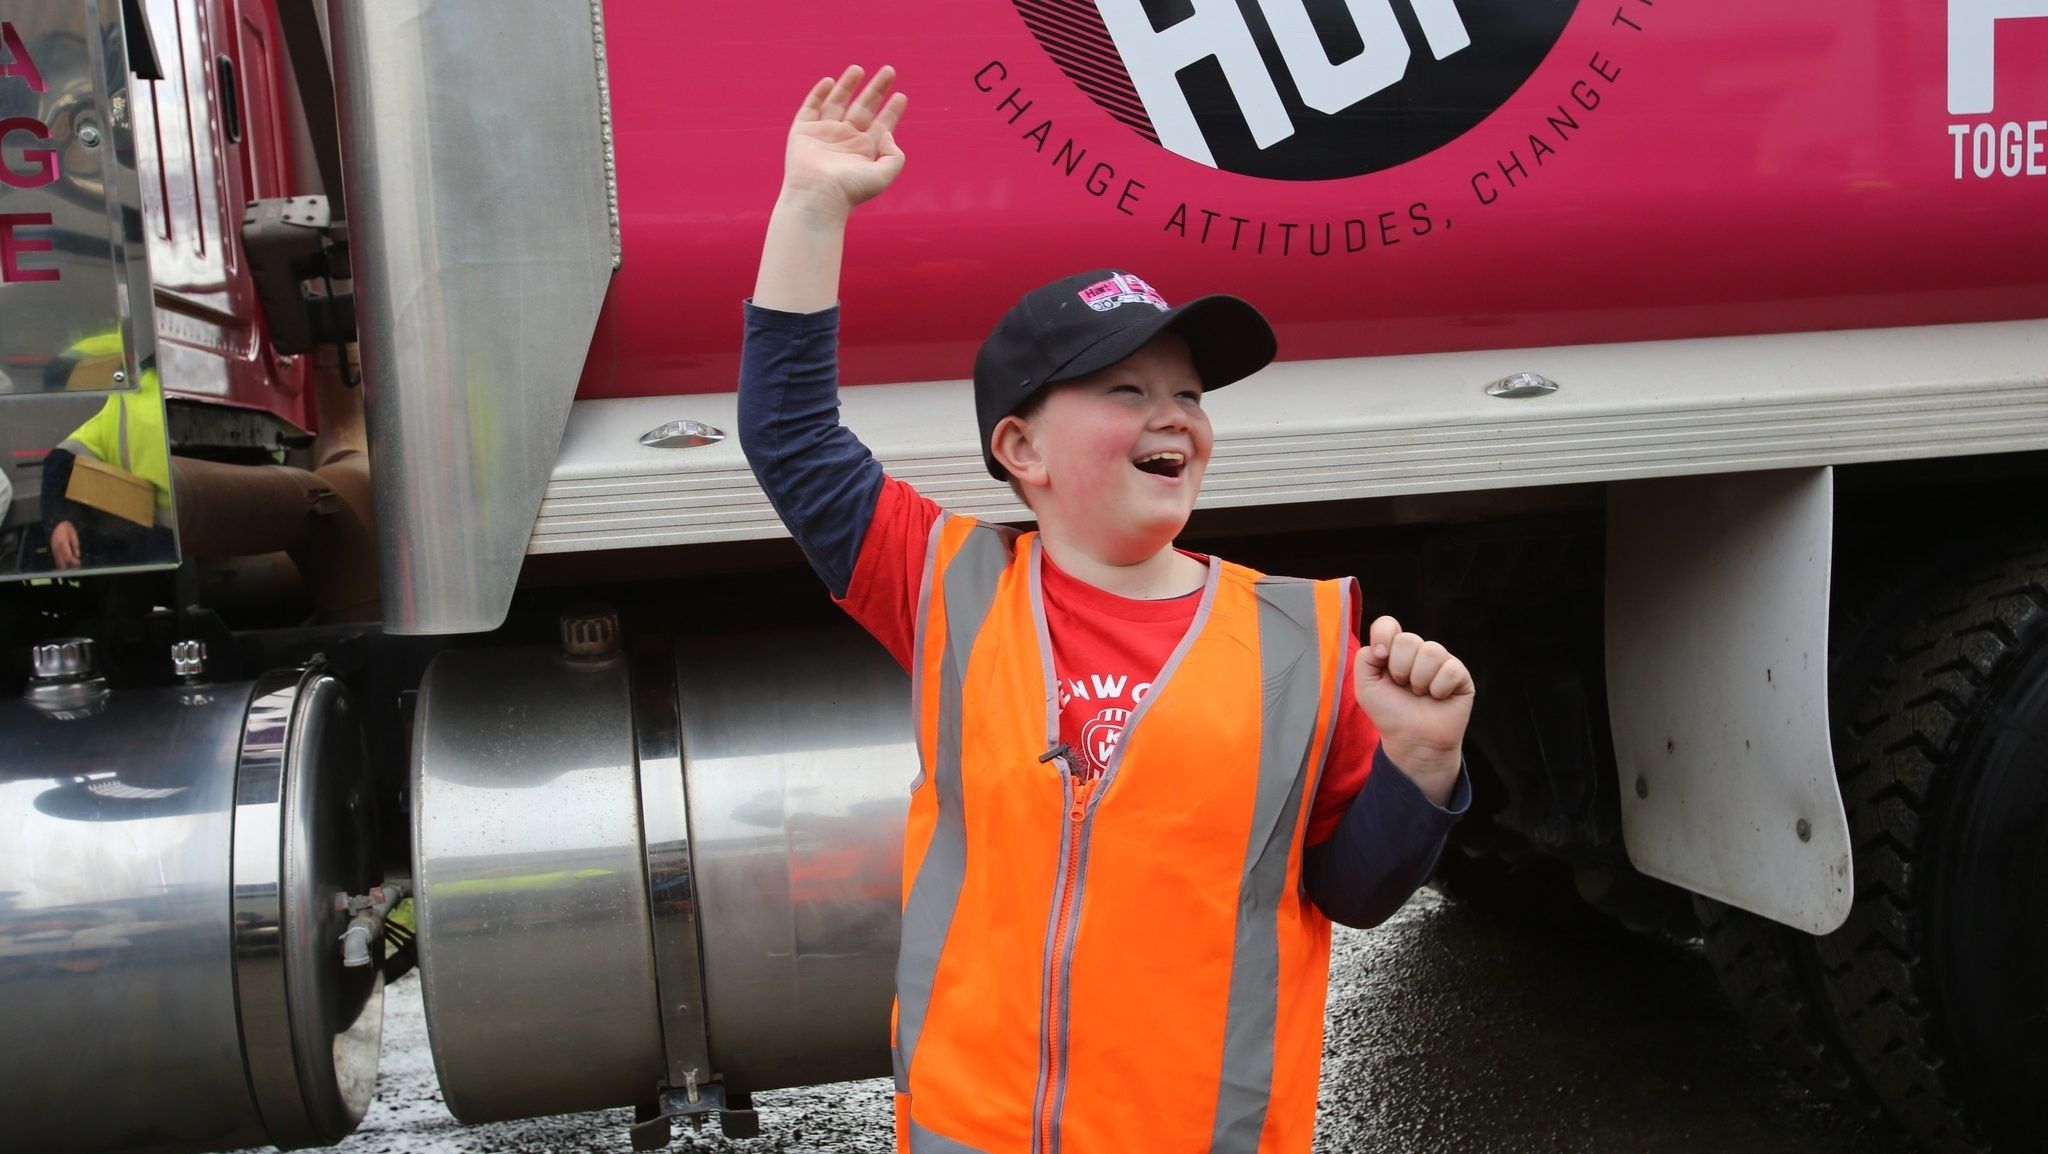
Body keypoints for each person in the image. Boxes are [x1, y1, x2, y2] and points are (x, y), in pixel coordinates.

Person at [740, 66, 1476, 1153]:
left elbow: (1352, 890)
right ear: (1019, 449)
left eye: (1185, 393)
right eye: (1124, 389)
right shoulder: (948, 583)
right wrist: (810, 206)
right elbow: (791, 436)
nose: (1170, 413)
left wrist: (1421, 766)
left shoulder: (1298, 638)